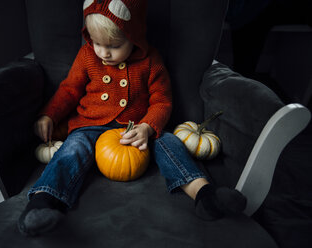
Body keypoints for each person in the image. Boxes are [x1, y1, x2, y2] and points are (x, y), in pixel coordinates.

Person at [18, 0, 247, 237]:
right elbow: (69, 89)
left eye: (114, 46)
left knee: (170, 143)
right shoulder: (87, 55)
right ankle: (43, 202)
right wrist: (49, 114)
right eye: (96, 42)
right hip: (91, 124)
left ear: (134, 37)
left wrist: (148, 127)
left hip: (137, 129)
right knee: (72, 147)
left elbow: (162, 101)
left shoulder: (150, 61)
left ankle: (205, 196)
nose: (103, 52)